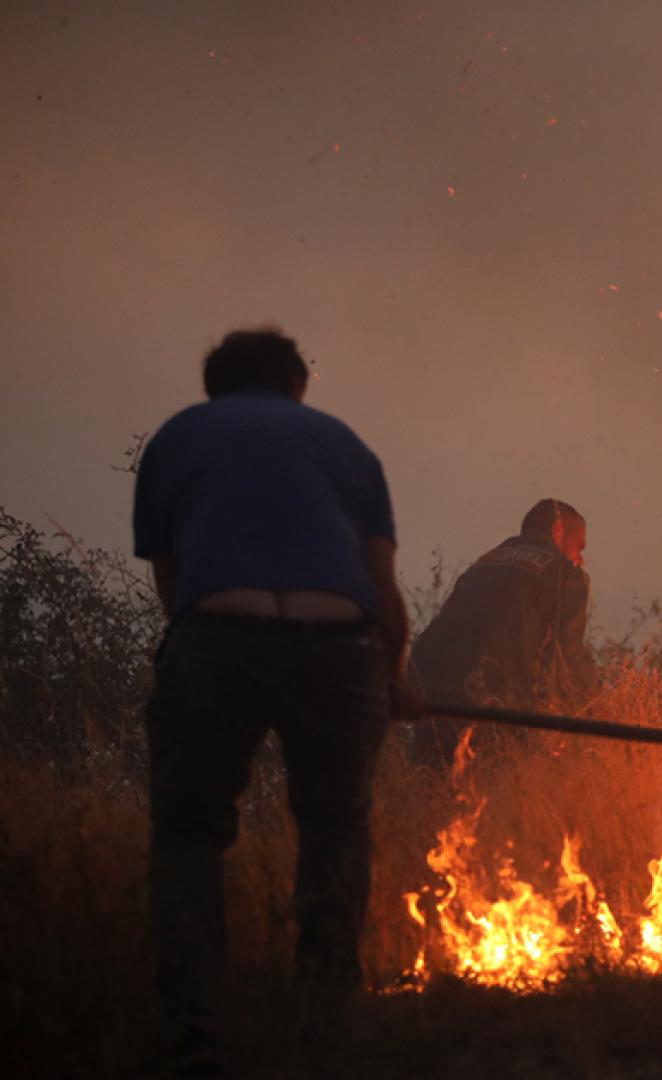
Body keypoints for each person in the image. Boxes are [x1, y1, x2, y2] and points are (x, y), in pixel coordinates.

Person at [133, 328, 416, 1071]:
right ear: (297, 382)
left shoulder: (176, 439)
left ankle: (192, 1032)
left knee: (191, 833)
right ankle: (323, 1025)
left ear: (215, 385)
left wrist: (211, 652)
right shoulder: (345, 447)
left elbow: (174, 582)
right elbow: (384, 594)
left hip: (217, 633)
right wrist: (390, 681)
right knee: (334, 829)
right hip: (340, 646)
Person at [407, 499, 595, 767]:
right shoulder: (565, 574)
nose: (581, 558)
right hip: (494, 712)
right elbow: (567, 658)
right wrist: (602, 706)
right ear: (557, 529)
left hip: (433, 700)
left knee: (428, 801)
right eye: (579, 546)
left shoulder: (484, 563)